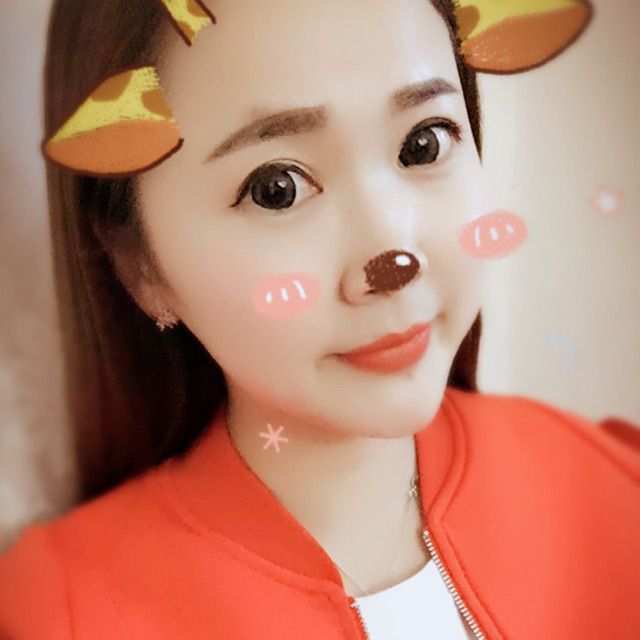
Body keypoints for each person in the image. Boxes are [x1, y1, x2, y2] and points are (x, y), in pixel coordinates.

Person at [1, 0, 638, 638]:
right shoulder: (59, 612)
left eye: (424, 143)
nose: (393, 256)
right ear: (139, 262)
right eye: (276, 188)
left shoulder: (607, 489)